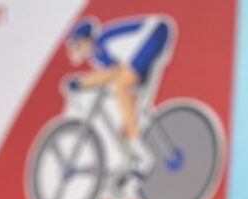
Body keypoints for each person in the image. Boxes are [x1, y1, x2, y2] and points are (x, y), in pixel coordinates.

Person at [66, 15, 173, 176]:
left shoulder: (99, 44)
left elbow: (113, 72)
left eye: (76, 45)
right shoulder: (98, 53)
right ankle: (137, 158)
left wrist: (81, 83)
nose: (73, 51)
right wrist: (85, 83)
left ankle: (145, 157)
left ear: (85, 41)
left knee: (121, 89)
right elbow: (114, 72)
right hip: (151, 38)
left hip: (153, 34)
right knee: (128, 117)